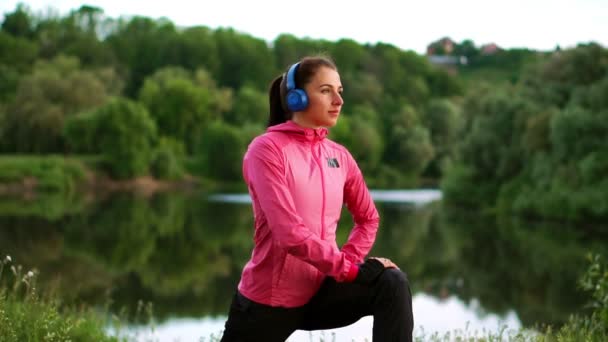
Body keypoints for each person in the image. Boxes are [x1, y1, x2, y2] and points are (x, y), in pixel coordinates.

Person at [220, 56, 414, 342]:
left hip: (322, 292)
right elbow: (289, 234)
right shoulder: (266, 150)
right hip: (269, 301)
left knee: (391, 281)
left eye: (340, 91)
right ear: (296, 98)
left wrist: (349, 261)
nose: (338, 100)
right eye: (326, 90)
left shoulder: (339, 156)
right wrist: (348, 269)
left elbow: (368, 217)